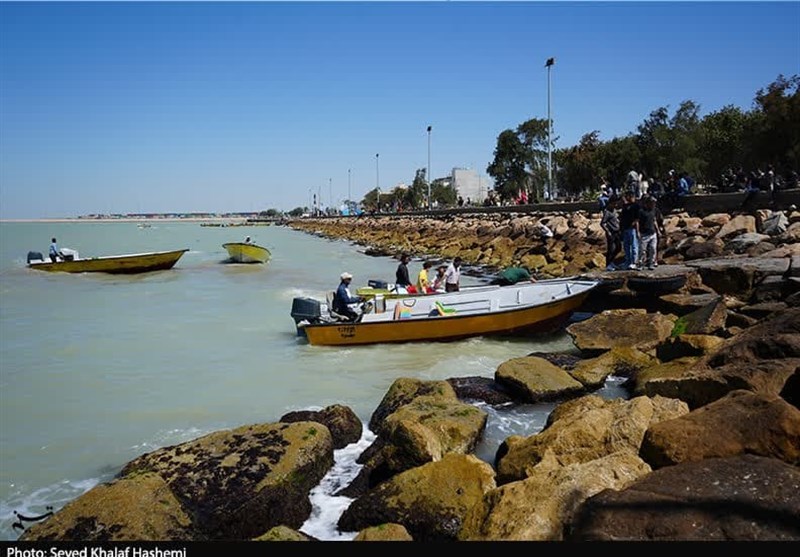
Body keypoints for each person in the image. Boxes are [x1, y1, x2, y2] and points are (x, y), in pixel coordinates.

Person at [637, 195, 664, 270]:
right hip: (644, 234)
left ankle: (651, 263)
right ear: (648, 203)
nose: (653, 204)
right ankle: (641, 264)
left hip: (653, 233)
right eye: (652, 203)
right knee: (642, 250)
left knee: (653, 249)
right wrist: (638, 232)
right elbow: (637, 222)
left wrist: (658, 230)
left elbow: (654, 221)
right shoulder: (641, 211)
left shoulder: (654, 210)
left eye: (654, 203)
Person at [619, 190, 641, 270]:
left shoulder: (636, 206)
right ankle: (628, 261)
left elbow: (637, 219)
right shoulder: (625, 207)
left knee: (634, 245)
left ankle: (634, 262)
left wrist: (637, 230)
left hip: (632, 229)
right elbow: (622, 218)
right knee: (626, 246)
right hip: (625, 228)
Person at [600, 194, 622, 270]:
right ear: (610, 203)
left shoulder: (614, 210)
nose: (616, 205)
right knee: (611, 249)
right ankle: (608, 265)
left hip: (617, 232)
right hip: (611, 233)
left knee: (619, 247)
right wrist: (608, 231)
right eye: (614, 203)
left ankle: (612, 262)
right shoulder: (607, 212)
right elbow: (602, 223)